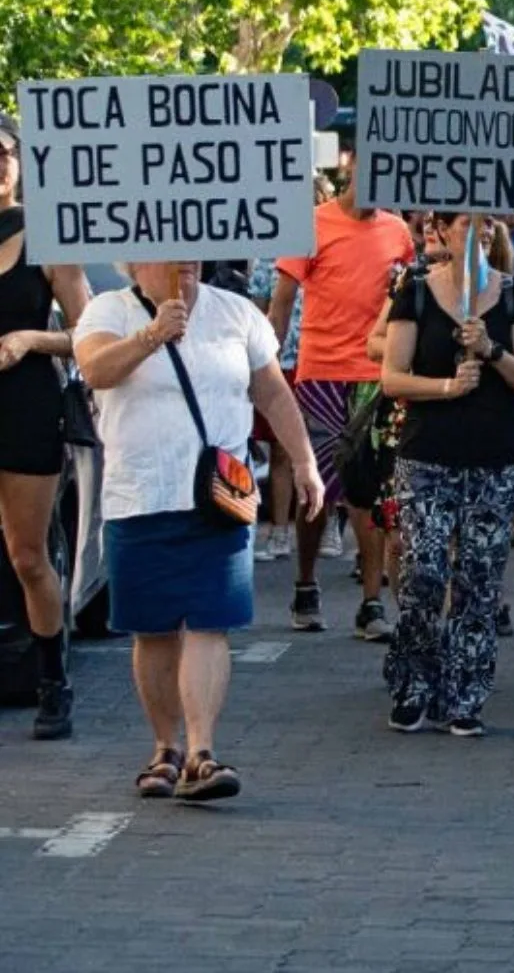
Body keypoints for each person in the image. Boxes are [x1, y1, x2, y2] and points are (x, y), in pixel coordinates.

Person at [74, 260, 323, 801]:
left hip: (219, 498)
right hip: (140, 495)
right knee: (154, 629)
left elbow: (273, 393)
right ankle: (166, 748)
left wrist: (304, 462)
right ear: (137, 259)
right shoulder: (107, 309)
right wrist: (152, 334)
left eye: (194, 247)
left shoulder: (235, 313)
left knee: (212, 622)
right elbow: (95, 370)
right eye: (169, 248)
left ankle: (202, 752)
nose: (185, 259)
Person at [378, 215, 514, 736]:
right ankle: (414, 684)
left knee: (478, 580)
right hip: (428, 456)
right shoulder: (417, 294)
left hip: (496, 458)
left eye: (488, 226)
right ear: (443, 232)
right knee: (424, 573)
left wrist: (492, 351)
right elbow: (390, 377)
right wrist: (447, 386)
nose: (481, 234)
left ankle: (466, 692)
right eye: (468, 225)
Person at [269, 139, 412, 637]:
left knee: (368, 489)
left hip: (376, 377)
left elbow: (407, 301)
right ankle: (306, 583)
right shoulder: (311, 223)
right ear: (353, 168)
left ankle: (372, 603)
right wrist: (265, 359)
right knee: (317, 488)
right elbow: (283, 298)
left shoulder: (399, 231)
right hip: (320, 374)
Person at [0, 112, 92, 739]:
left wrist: (32, 338)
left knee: (28, 556)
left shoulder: (48, 237)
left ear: (19, 164)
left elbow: (90, 336)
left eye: (2, 154)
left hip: (26, 407)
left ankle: (53, 684)